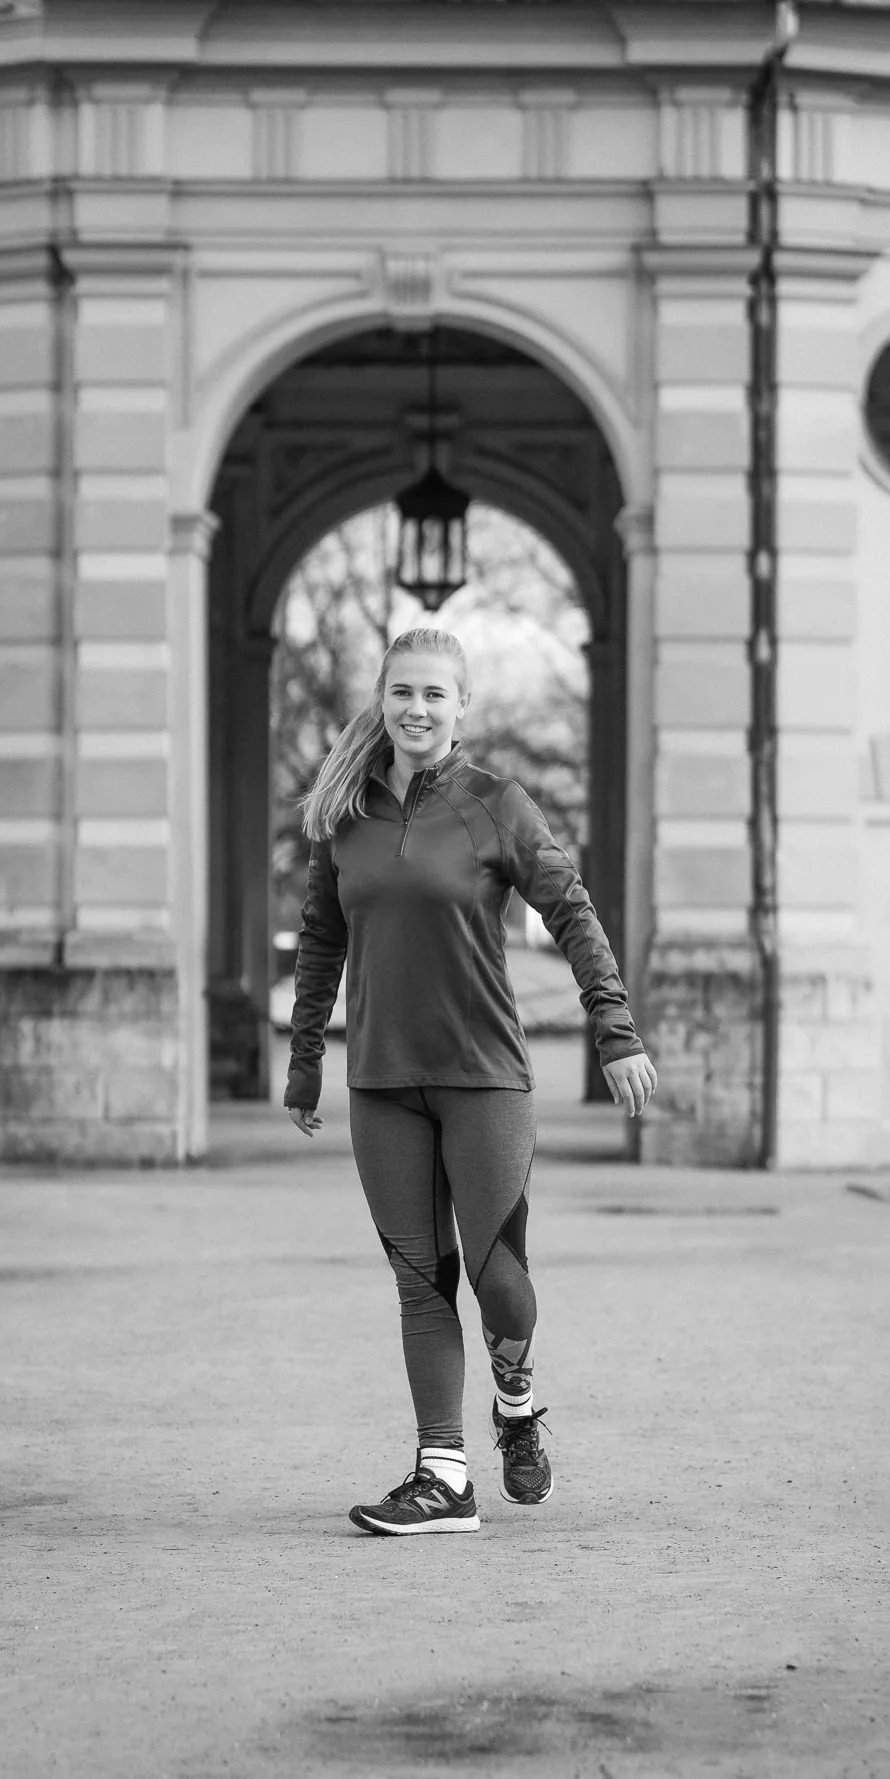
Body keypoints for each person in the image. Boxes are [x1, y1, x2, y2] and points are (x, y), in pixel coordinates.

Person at [285, 625, 657, 1535]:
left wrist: (614, 1032)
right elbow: (322, 938)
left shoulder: (496, 804)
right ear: (381, 699)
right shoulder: (342, 815)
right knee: (420, 1282)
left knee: (497, 1279)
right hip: (381, 1083)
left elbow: (571, 913)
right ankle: (443, 1476)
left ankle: (516, 1403)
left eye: (433, 694)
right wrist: (305, 1059)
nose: (416, 709)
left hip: (484, 1077)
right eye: (401, 691)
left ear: (460, 708)